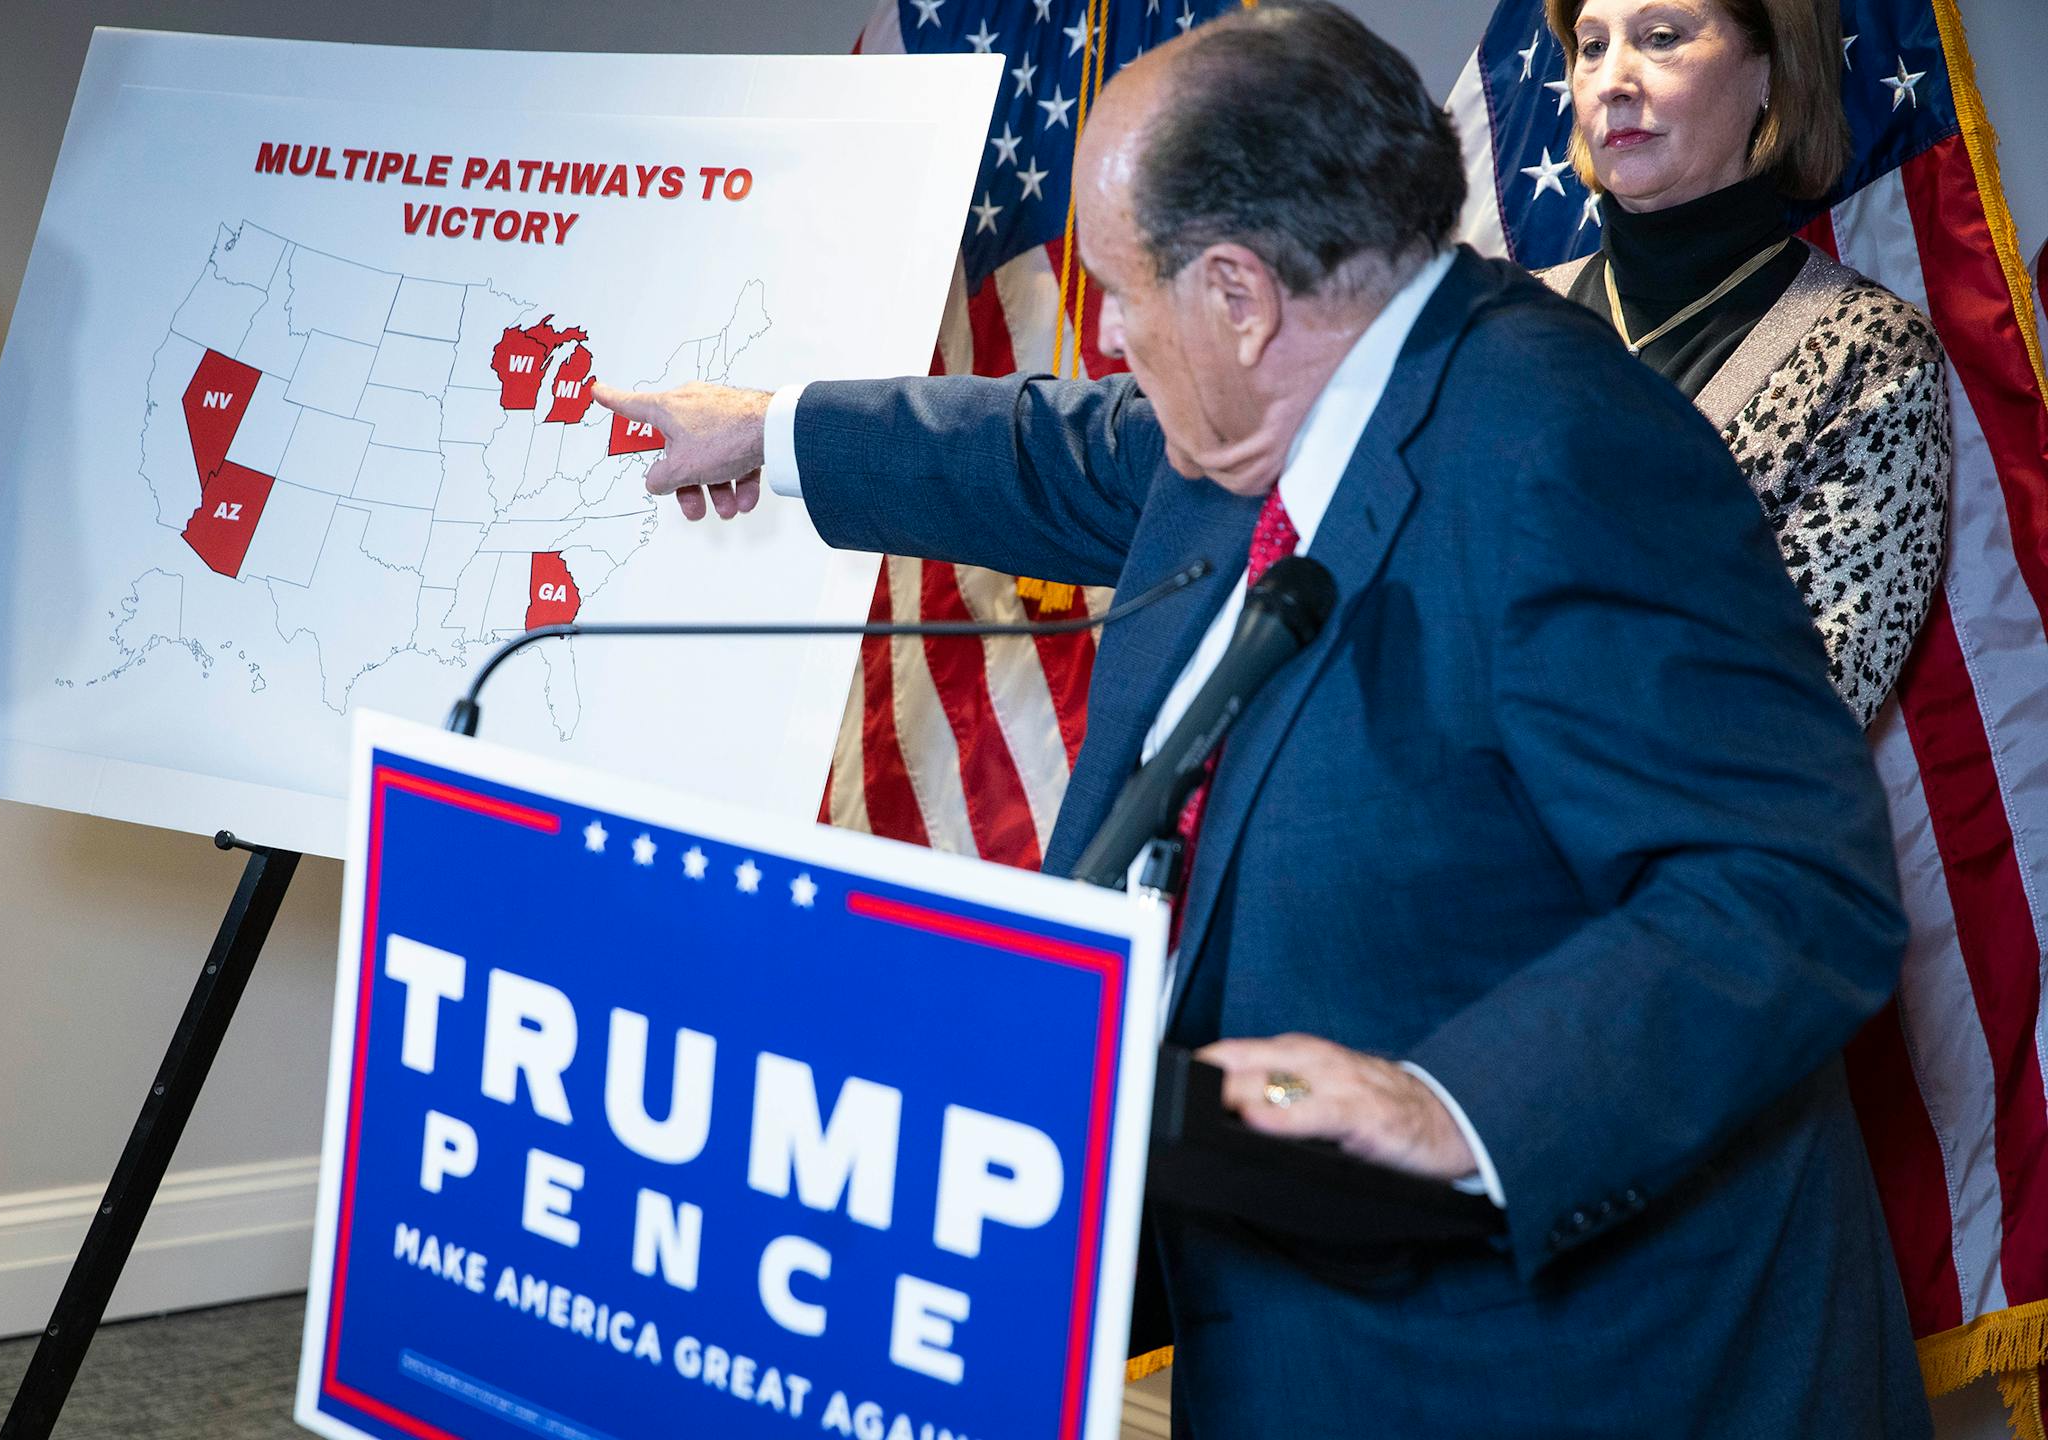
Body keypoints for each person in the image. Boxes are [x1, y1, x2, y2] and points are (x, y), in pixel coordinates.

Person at [592, 3, 1929, 1434]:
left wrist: (1449, 1107)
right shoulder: (1281, 399)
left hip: (1566, 1363)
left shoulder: (1573, 460)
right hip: (1291, 1303)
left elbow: (1790, 887)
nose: (1107, 332)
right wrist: (775, 429)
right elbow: (1060, 446)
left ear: (1238, 294)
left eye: (1122, 290)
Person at [1540, 0, 1950, 722]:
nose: (1612, 81)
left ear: (1769, 71)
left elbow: (1790, 720)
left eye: (1659, 39)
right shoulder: (1500, 326)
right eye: (1591, 46)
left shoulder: (1866, 358)